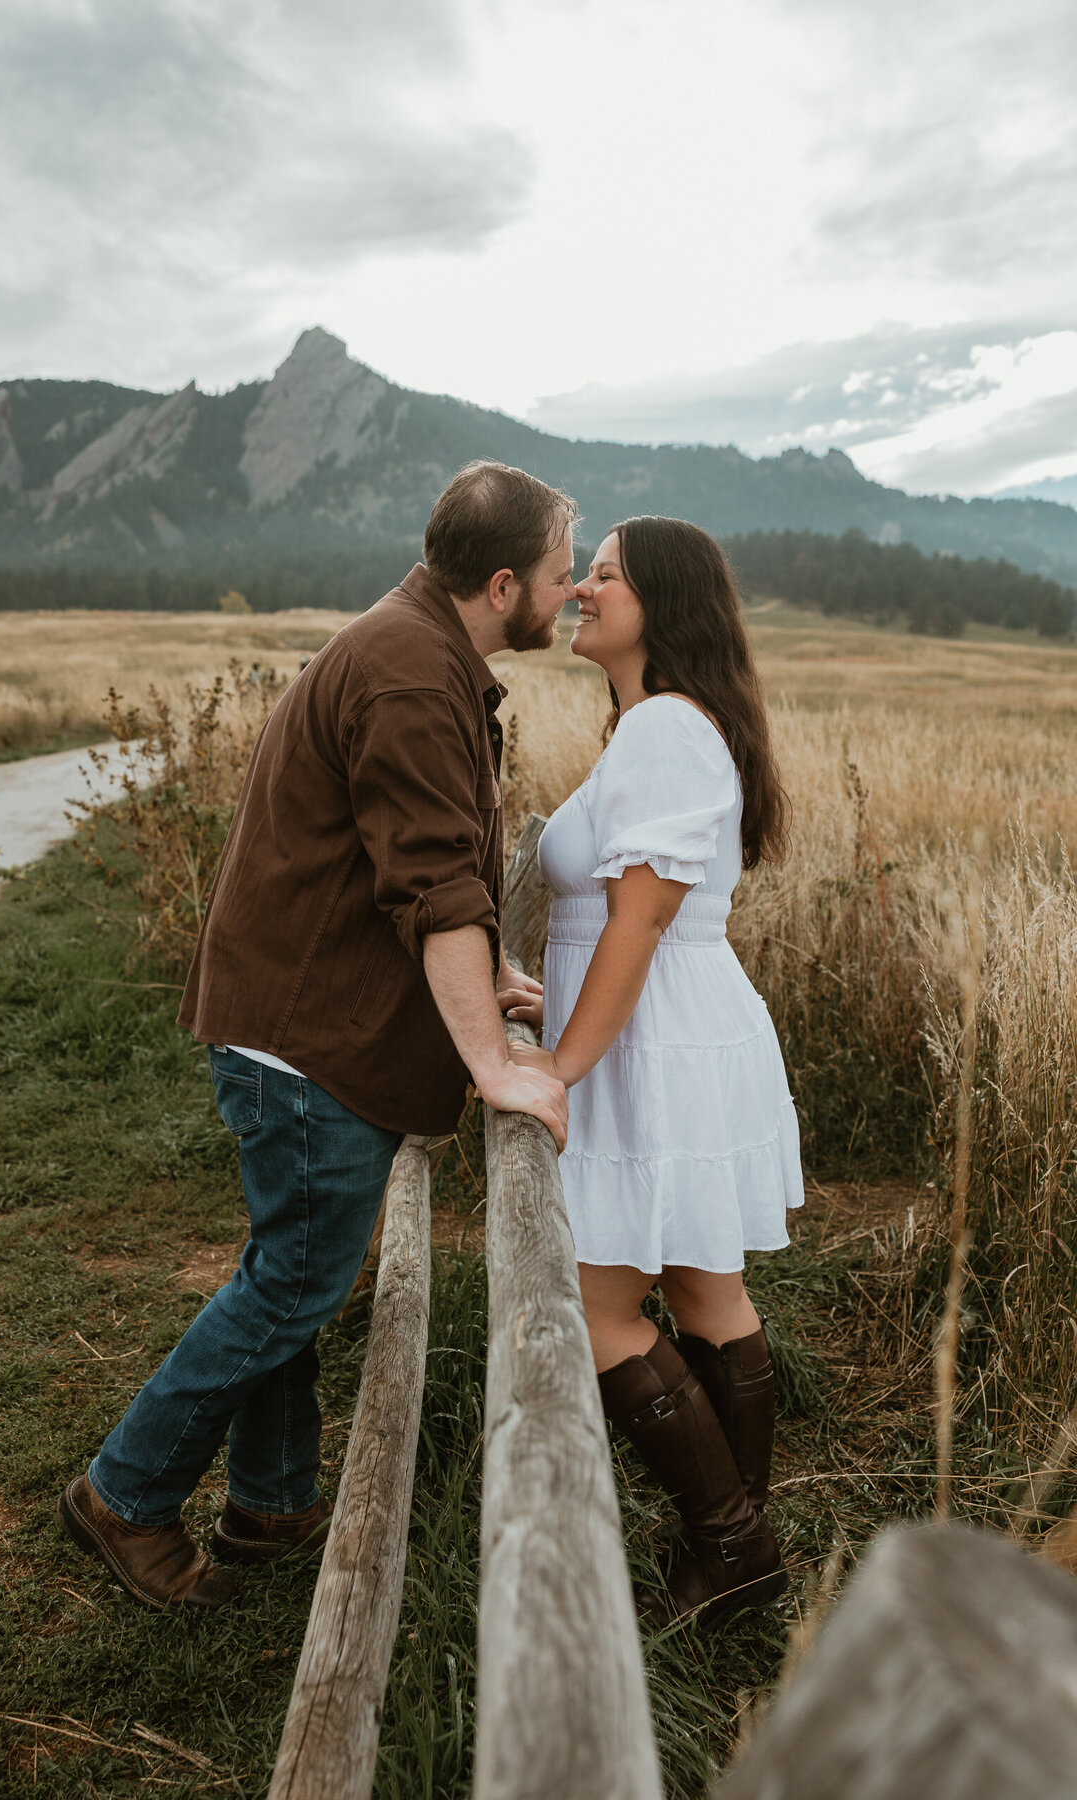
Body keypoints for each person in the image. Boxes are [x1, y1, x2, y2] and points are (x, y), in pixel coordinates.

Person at [58, 461, 572, 1610]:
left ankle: (273, 1501)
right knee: (295, 1283)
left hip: (298, 1017)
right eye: (556, 573)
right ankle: (125, 1495)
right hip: (304, 1037)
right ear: (501, 584)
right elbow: (433, 886)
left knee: (291, 1268)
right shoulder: (406, 676)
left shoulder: (423, 653)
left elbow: (419, 860)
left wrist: (495, 972)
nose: (569, 591)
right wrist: (492, 1064)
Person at [511, 515, 803, 1629]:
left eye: (606, 575)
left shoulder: (670, 727)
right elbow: (609, 923)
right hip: (659, 1027)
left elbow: (638, 923)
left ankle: (729, 1546)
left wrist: (561, 1068)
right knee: (698, 1287)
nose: (581, 588)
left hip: (656, 1044)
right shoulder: (653, 725)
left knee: (593, 1308)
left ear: (663, 603)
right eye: (585, 572)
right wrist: (556, 998)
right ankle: (740, 1549)